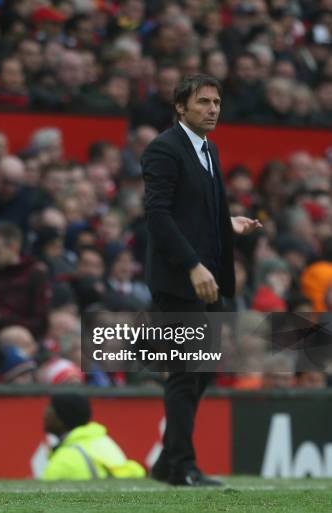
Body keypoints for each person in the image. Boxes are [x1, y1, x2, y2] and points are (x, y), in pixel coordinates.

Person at [142, 74, 261, 486]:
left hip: (208, 278)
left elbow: (191, 211)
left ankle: (168, 460)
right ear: (180, 107)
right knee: (185, 371)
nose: (212, 109)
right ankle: (182, 467)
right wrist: (192, 264)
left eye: (216, 102)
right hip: (180, 280)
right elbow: (158, 216)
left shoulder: (209, 149)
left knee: (203, 369)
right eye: (203, 102)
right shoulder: (163, 149)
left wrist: (227, 223)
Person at [41, 393, 146, 480]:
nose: (44, 413)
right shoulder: (103, 441)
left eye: (50, 409)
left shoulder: (64, 460)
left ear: (62, 418)